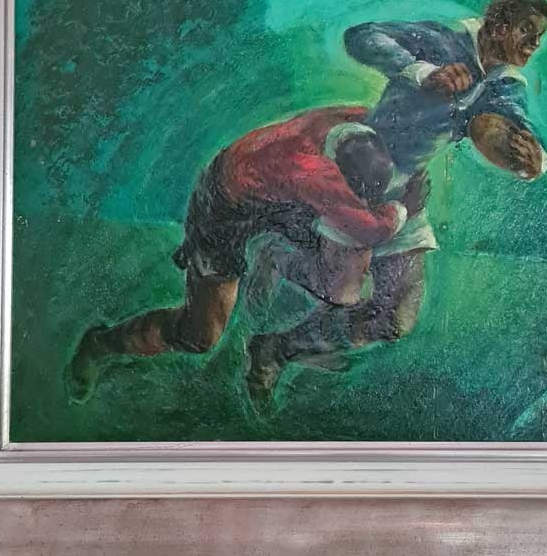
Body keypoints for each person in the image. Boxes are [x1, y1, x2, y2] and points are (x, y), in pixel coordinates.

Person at [243, 0, 547, 401]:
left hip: (406, 192)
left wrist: (535, 161)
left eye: (539, 35)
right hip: (362, 168)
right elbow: (361, 36)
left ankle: (278, 348)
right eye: (527, 30)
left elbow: (517, 125)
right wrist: (422, 72)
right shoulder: (442, 40)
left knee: (395, 319)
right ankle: (275, 256)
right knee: (338, 291)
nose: (534, 43)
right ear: (498, 25)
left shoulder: (506, 84)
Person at [66, 106, 427, 403]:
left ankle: (288, 341)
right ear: (335, 170)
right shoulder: (312, 172)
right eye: (356, 194)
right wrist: (402, 209)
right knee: (200, 335)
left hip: (284, 197)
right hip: (227, 208)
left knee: (374, 299)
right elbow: (371, 228)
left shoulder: (367, 119)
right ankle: (101, 344)